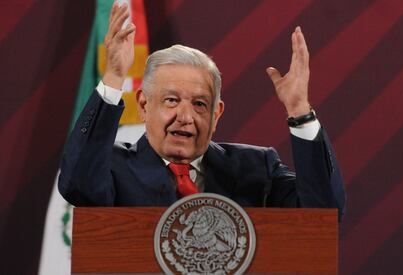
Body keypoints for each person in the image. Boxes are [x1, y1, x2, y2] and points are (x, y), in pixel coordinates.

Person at [58, 2, 345, 220]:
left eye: (199, 104)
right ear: (144, 105)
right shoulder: (112, 167)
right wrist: (114, 77)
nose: (186, 116)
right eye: (171, 100)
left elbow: (323, 215)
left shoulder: (257, 169)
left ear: (216, 114)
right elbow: (77, 185)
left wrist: (300, 112)